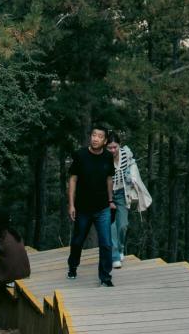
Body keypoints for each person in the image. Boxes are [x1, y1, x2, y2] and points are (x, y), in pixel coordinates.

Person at [66, 123, 116, 287]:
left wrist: (111, 201)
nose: (95, 139)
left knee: (106, 243)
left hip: (102, 208)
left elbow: (109, 179)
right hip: (83, 208)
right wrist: (71, 204)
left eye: (100, 137)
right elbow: (73, 179)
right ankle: (73, 266)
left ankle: (105, 277)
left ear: (105, 140)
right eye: (94, 135)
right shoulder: (80, 155)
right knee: (78, 241)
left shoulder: (108, 157)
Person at [106, 132, 150, 269]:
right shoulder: (102, 157)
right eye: (110, 148)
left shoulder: (126, 153)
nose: (113, 150)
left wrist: (131, 176)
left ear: (119, 145)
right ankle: (114, 257)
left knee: (123, 225)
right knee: (111, 225)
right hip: (106, 195)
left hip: (121, 193)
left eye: (115, 147)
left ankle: (120, 248)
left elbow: (132, 164)